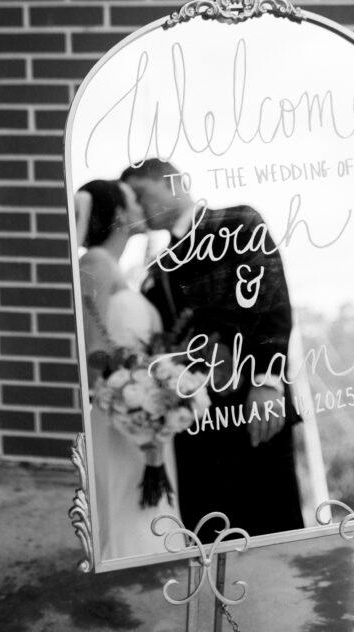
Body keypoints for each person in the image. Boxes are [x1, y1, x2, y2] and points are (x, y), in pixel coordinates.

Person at [121, 159, 304, 540]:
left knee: (274, 531)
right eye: (131, 202)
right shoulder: (158, 270)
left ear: (174, 183)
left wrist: (268, 381)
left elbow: (273, 304)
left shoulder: (238, 222)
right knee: (210, 538)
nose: (138, 208)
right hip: (197, 430)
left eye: (141, 193)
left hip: (254, 411)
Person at [76, 178, 181, 558]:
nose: (141, 209)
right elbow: (93, 350)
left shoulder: (116, 268)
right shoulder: (95, 264)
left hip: (142, 418)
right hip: (125, 420)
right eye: (134, 201)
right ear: (120, 214)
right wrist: (132, 407)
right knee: (131, 520)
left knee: (148, 515)